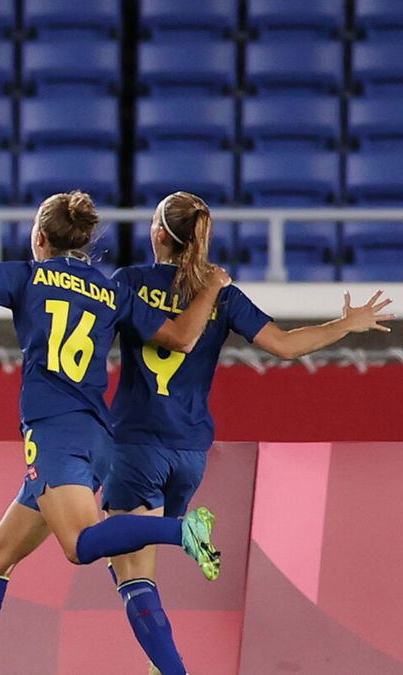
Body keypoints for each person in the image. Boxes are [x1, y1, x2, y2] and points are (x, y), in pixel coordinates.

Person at [0, 191, 229, 675]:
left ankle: (182, 530)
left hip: (56, 433)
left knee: (79, 545)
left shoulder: (29, 277)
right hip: (94, 434)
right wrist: (211, 289)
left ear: (40, 238)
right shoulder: (111, 290)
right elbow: (182, 337)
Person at [103, 191, 395, 674]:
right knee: (142, 566)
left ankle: (171, 665)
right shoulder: (223, 294)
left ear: (158, 233)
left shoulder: (129, 281)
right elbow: (283, 346)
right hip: (191, 451)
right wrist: (346, 324)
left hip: (136, 441)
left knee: (129, 570)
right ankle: (161, 663)